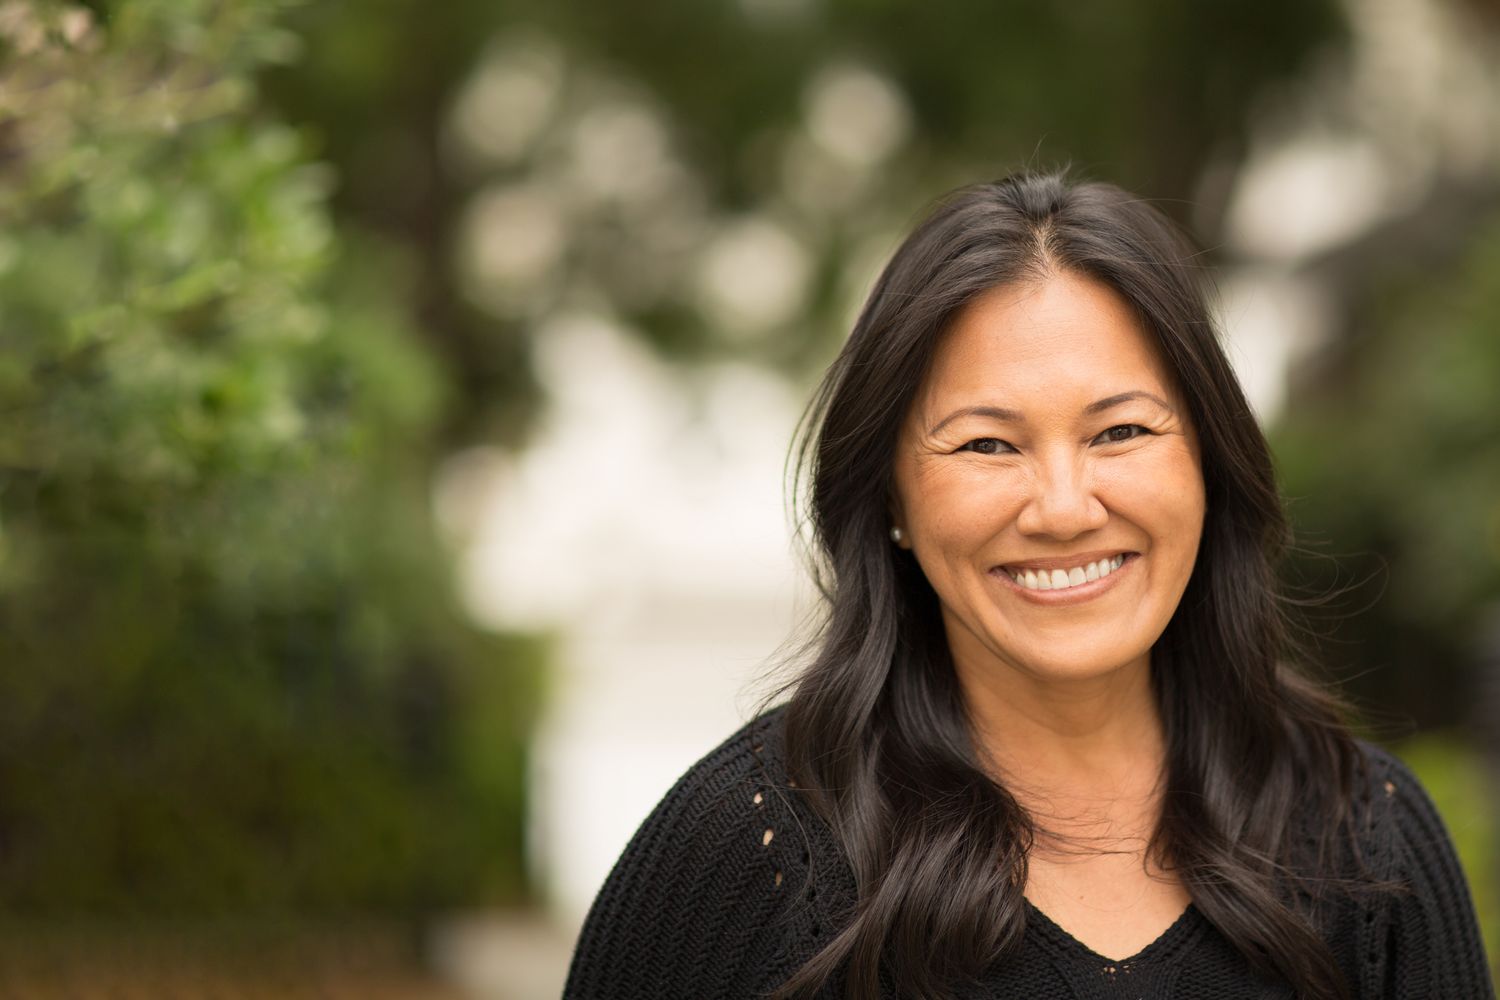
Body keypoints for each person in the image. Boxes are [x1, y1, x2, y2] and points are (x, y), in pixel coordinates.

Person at [561, 169, 1495, 999]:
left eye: (1121, 431)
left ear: (1208, 463)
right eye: (987, 444)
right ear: (890, 497)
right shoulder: (750, 852)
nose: (1061, 506)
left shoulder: (1369, 846)